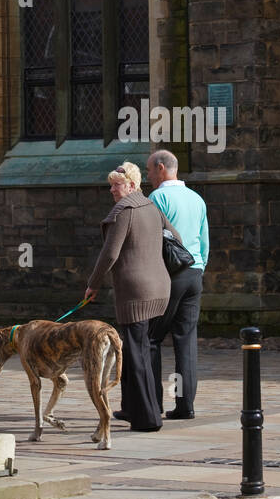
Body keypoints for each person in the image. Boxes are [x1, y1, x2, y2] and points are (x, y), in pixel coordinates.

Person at [84, 163, 184, 432]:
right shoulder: (152, 207)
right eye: (111, 184)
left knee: (137, 354)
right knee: (141, 351)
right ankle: (147, 412)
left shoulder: (125, 211)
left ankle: (147, 419)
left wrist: (92, 285)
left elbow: (110, 254)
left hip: (136, 292)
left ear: (132, 185)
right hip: (160, 289)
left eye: (117, 184)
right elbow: (176, 239)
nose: (112, 189)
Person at [146, 148, 209, 420]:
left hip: (170, 275)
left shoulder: (157, 197)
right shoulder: (197, 198)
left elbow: (151, 241)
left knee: (150, 338)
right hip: (194, 272)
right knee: (186, 341)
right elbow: (204, 241)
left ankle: (153, 405)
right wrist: (200, 266)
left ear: (161, 168)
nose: (148, 176)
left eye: (149, 170)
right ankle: (185, 406)